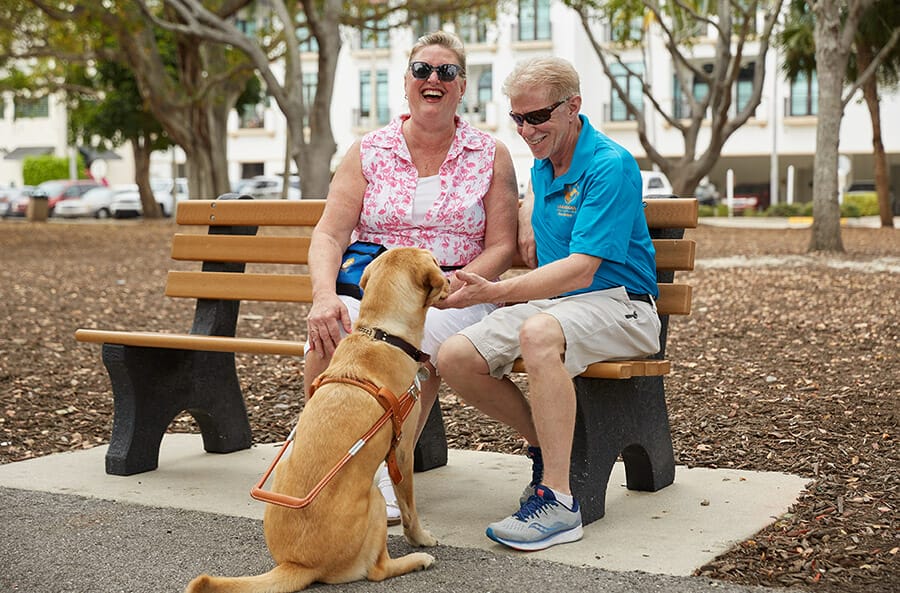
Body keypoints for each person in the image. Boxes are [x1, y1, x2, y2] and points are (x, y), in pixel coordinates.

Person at [436, 57, 662, 551]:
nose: (526, 130)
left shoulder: (609, 164)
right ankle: (544, 445)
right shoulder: (543, 164)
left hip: (623, 306)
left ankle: (559, 502)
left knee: (537, 333)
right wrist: (523, 210)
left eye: (537, 117)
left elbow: (583, 269)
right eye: (517, 118)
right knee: (454, 356)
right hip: (563, 306)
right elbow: (547, 222)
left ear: (573, 106)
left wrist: (495, 291)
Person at [304, 31, 519, 525]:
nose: (433, 79)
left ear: (462, 86)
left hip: (454, 294)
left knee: (413, 352)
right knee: (327, 335)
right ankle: (319, 458)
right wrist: (322, 296)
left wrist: (460, 288)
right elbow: (329, 234)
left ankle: (379, 467)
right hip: (375, 289)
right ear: (405, 82)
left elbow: (502, 245)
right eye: (422, 70)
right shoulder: (369, 150)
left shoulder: (489, 153)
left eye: (446, 72)